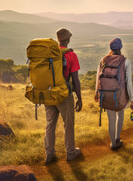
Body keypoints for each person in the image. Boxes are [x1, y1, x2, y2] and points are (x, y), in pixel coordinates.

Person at [44, 28, 83, 164]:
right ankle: (71, 152)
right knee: (69, 124)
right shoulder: (71, 55)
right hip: (64, 94)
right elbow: (75, 80)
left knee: (50, 124)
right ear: (68, 39)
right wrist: (79, 98)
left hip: (49, 93)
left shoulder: (49, 53)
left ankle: (49, 154)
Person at [95, 38, 133, 150]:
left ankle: (113, 143)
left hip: (105, 94)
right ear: (120, 48)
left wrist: (96, 94)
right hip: (119, 95)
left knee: (111, 119)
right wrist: (132, 100)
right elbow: (129, 83)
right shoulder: (125, 62)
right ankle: (117, 139)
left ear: (110, 48)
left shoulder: (103, 60)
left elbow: (98, 78)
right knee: (120, 115)